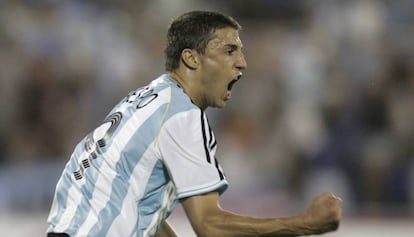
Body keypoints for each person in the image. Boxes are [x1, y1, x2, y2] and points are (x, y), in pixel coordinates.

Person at [46, 10, 342, 237]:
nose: (242, 63)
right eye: (229, 51)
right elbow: (208, 224)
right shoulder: (182, 115)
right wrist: (304, 224)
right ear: (191, 59)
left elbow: (141, 209)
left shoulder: (145, 99)